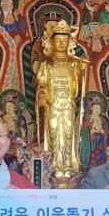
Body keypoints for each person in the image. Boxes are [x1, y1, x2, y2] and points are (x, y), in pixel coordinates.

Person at [35, 19, 88, 180]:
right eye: (57, 40)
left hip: (68, 104)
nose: (61, 44)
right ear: (51, 42)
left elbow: (77, 86)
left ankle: (67, 166)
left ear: (69, 43)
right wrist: (42, 94)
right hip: (52, 104)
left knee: (68, 132)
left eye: (64, 41)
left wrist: (81, 71)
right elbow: (41, 82)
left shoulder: (73, 62)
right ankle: (52, 166)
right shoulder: (46, 62)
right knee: (52, 132)